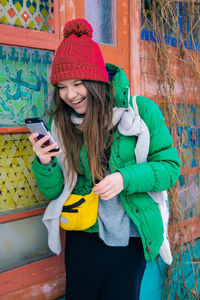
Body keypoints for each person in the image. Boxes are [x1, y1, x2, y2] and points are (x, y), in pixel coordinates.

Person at [29, 19, 181, 300]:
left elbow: (170, 168)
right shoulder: (60, 124)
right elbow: (53, 192)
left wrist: (125, 178)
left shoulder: (141, 112)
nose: (70, 95)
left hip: (131, 235)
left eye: (78, 84)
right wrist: (44, 162)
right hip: (83, 233)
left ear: (96, 80)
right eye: (62, 87)